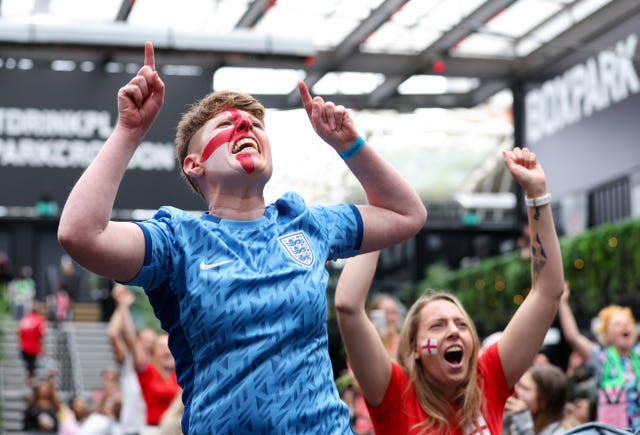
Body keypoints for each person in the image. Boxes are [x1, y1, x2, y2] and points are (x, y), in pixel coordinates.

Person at [56, 40, 426, 434]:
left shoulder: (303, 223)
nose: (245, 126)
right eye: (225, 125)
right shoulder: (176, 240)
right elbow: (81, 235)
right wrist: (129, 131)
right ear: (194, 164)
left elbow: (406, 214)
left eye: (254, 125)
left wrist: (350, 146)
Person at [335, 147, 564, 434]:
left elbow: (547, 292)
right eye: (437, 325)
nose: (454, 331)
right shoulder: (394, 393)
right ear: (416, 349)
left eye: (461, 324)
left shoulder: (489, 378)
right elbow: (348, 306)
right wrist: (380, 220)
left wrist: (537, 194)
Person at [558, 282, 640, 430]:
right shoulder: (601, 359)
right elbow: (573, 337)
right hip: (614, 432)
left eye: (628, 323)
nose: (625, 326)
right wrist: (563, 303)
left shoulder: (638, 357)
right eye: (618, 324)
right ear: (606, 335)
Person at [117, 283, 179, 429]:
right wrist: (123, 306)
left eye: (169, 347)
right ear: (153, 352)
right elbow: (131, 339)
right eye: (162, 347)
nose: (167, 350)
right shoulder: (148, 371)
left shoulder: (180, 374)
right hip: (152, 429)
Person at [107, 283, 148, 435]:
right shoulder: (130, 361)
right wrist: (121, 304)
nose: (144, 343)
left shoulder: (155, 365)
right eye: (142, 340)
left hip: (149, 427)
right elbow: (113, 333)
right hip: (131, 427)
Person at [504, 363, 569, 434]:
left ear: (544, 401)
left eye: (525, 388)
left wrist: (523, 422)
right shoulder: (515, 420)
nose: (515, 390)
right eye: (518, 384)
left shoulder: (560, 432)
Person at [18, 301, 47, 386]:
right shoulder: (39, 319)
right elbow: (41, 334)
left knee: (29, 368)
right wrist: (42, 348)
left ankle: (29, 383)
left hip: (24, 347)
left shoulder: (25, 319)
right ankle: (31, 387)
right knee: (32, 369)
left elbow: (19, 332)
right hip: (33, 347)